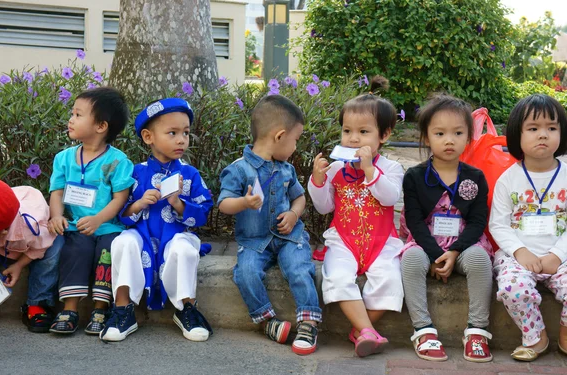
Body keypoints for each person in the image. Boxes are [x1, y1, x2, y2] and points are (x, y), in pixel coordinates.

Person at [101, 98, 213, 342]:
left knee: (184, 248)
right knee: (122, 242)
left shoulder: (189, 174)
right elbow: (122, 211)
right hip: (142, 235)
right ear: (148, 137)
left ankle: (187, 308)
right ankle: (122, 309)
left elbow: (204, 211)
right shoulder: (135, 172)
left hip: (176, 236)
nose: (181, 139)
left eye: (186, 132)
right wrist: (139, 204)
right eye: (172, 132)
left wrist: (178, 203)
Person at [307, 77, 404, 357]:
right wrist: (317, 180)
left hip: (381, 241)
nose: (353, 138)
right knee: (336, 277)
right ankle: (366, 332)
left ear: (383, 135)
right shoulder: (337, 169)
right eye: (347, 130)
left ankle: (361, 329)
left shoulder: (392, 167)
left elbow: (388, 198)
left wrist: (370, 171)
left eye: (363, 131)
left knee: (390, 281)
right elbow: (324, 207)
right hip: (344, 239)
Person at [218, 95, 321, 355]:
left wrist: (294, 216)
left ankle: (308, 321)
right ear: (279, 136)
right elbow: (223, 204)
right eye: (295, 140)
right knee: (246, 273)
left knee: (299, 268)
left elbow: (299, 198)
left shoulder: (286, 169)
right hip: (254, 241)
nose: (295, 147)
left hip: (288, 237)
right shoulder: (239, 170)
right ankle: (267, 321)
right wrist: (244, 202)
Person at [401, 94, 494, 362]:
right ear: (427, 137)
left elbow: (478, 222)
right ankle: (423, 330)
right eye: (440, 133)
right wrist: (432, 253)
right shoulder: (415, 177)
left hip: (463, 244)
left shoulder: (475, 177)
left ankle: (477, 329)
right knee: (410, 259)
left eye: (458, 132)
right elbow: (414, 221)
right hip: (425, 241)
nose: (449, 140)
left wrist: (453, 252)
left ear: (468, 137)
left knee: (479, 260)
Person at [47, 87, 135, 335]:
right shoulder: (64, 158)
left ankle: (101, 308)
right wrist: (56, 215)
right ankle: (70, 308)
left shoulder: (118, 161)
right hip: (77, 226)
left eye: (78, 115)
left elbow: (121, 198)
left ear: (101, 126)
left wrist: (98, 219)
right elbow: (57, 191)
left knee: (106, 255)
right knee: (75, 251)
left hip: (108, 227)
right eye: (72, 113)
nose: (70, 119)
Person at [490, 94, 567, 361]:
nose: (543, 135)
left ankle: (566, 334)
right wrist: (520, 252)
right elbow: (498, 224)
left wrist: (557, 255)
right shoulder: (508, 179)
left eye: (552, 128)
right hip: (518, 257)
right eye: (533, 129)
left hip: (562, 257)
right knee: (513, 289)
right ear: (517, 135)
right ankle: (536, 337)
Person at [0, 178, 63, 332]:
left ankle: (38, 302)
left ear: (2, 232)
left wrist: (19, 265)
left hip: (37, 242)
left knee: (55, 248)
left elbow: (40, 246)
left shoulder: (31, 227)